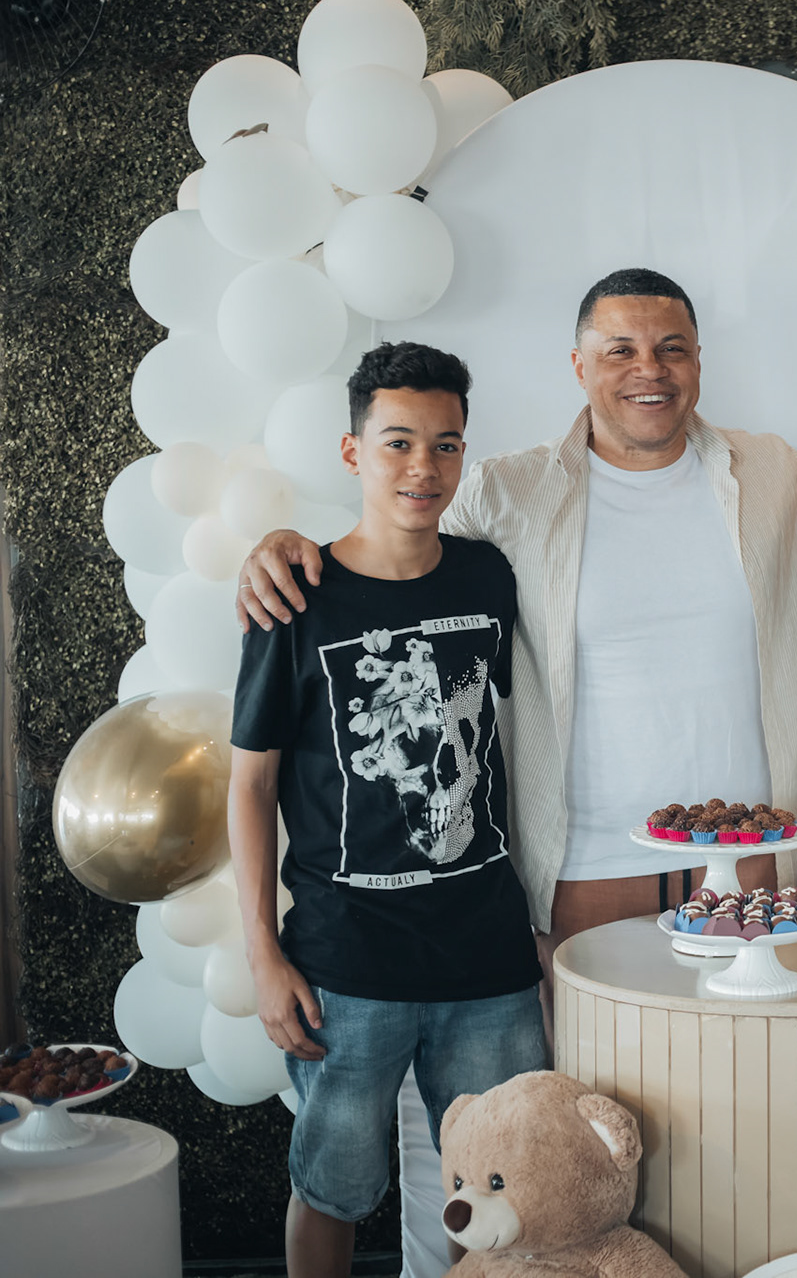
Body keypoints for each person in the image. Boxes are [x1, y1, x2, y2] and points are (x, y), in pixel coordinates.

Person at [237, 268, 797, 962]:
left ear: (697, 360)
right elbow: (401, 562)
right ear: (579, 366)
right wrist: (285, 545)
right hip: (584, 871)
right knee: (594, 1041)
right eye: (620, 350)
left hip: (747, 859)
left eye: (672, 348)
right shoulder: (506, 491)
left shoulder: (773, 471)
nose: (649, 370)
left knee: (751, 1035)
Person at [229, 343, 546, 1278]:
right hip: (345, 964)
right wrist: (263, 954)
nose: (423, 467)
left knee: (500, 1191)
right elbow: (250, 786)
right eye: (398, 442)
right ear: (352, 451)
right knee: (332, 1188)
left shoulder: (490, 577)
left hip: (487, 960)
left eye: (446, 445)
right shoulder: (294, 599)